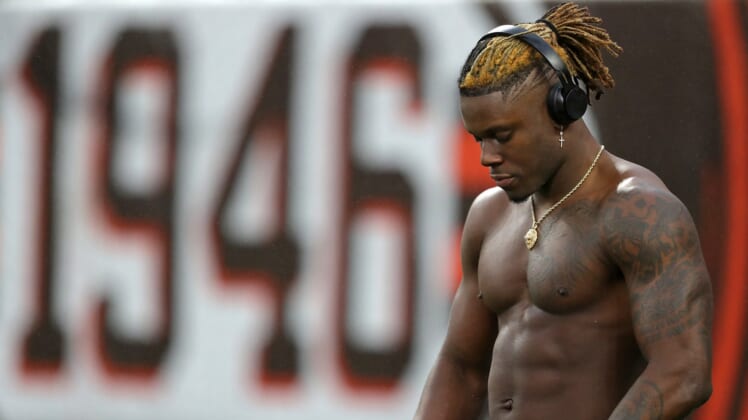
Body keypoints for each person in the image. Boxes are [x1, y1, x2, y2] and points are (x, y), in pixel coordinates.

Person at [415, 3, 713, 419]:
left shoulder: (639, 212)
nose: (487, 157)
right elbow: (461, 369)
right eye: (480, 138)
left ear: (561, 110)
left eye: (502, 136)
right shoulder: (488, 216)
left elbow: (683, 371)